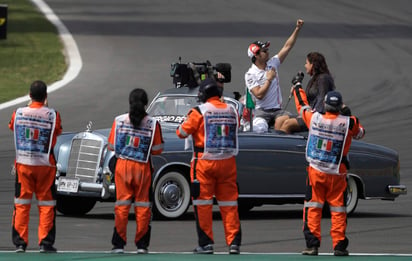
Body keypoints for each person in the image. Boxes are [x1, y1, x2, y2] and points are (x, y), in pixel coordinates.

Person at [292, 87, 365, 256]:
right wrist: (347, 114)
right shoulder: (349, 122)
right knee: (338, 208)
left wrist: (297, 88)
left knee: (313, 206)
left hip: (316, 171)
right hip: (337, 172)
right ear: (340, 107)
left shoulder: (315, 118)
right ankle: (339, 245)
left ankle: (312, 245)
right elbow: (361, 133)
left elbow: (302, 106)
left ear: (325, 105)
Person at [176, 78, 242, 254]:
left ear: (204, 94)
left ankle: (206, 244)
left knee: (202, 203)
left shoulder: (198, 111)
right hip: (228, 162)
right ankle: (234, 243)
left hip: (204, 163)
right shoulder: (232, 110)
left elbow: (181, 132)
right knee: (229, 203)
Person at [9, 80, 63, 253]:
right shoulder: (53, 115)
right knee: (47, 204)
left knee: (21, 204)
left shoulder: (18, 113)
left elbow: (12, 126)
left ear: (29, 95)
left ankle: (20, 243)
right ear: (46, 96)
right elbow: (58, 131)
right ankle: (45, 243)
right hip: (45, 165)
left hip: (24, 164)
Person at [108, 88, 164, 254]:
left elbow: (111, 146)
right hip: (142, 168)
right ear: (146, 104)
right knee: (143, 206)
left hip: (122, 166)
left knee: (121, 206)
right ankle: (142, 245)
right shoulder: (153, 124)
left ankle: (118, 244)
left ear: (130, 102)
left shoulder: (118, 121)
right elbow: (157, 149)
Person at [245, 19, 304, 131]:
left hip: (278, 110)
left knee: (294, 122)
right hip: (261, 112)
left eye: (267, 49)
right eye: (264, 50)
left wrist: (297, 29)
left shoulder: (273, 63)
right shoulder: (250, 74)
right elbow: (259, 95)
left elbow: (287, 47)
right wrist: (269, 80)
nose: (268, 51)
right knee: (260, 129)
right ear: (256, 56)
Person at [279, 52, 336, 133]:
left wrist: (312, 117)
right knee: (280, 120)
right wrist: (297, 89)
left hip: (317, 118)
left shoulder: (324, 78)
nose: (305, 66)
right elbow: (308, 99)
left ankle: (285, 144)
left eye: (306, 63)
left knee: (288, 124)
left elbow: (321, 99)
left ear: (312, 65)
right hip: (309, 113)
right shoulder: (314, 79)